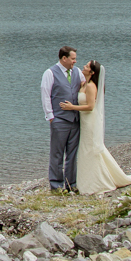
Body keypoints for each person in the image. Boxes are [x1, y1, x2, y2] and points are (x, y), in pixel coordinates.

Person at [58, 59, 131, 195]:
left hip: (90, 122)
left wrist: (71, 107)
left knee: (91, 149)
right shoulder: (84, 84)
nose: (84, 66)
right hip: (84, 122)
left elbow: (91, 107)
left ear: (92, 72)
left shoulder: (92, 86)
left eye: (86, 66)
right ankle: (89, 179)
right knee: (87, 150)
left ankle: (96, 182)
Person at [40, 45, 82, 191]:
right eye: (73, 59)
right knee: (57, 153)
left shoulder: (77, 72)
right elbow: (45, 95)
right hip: (59, 119)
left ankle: (71, 184)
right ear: (64, 58)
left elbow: (84, 88)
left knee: (72, 153)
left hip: (75, 120)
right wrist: (51, 116)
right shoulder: (50, 73)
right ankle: (56, 184)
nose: (75, 62)